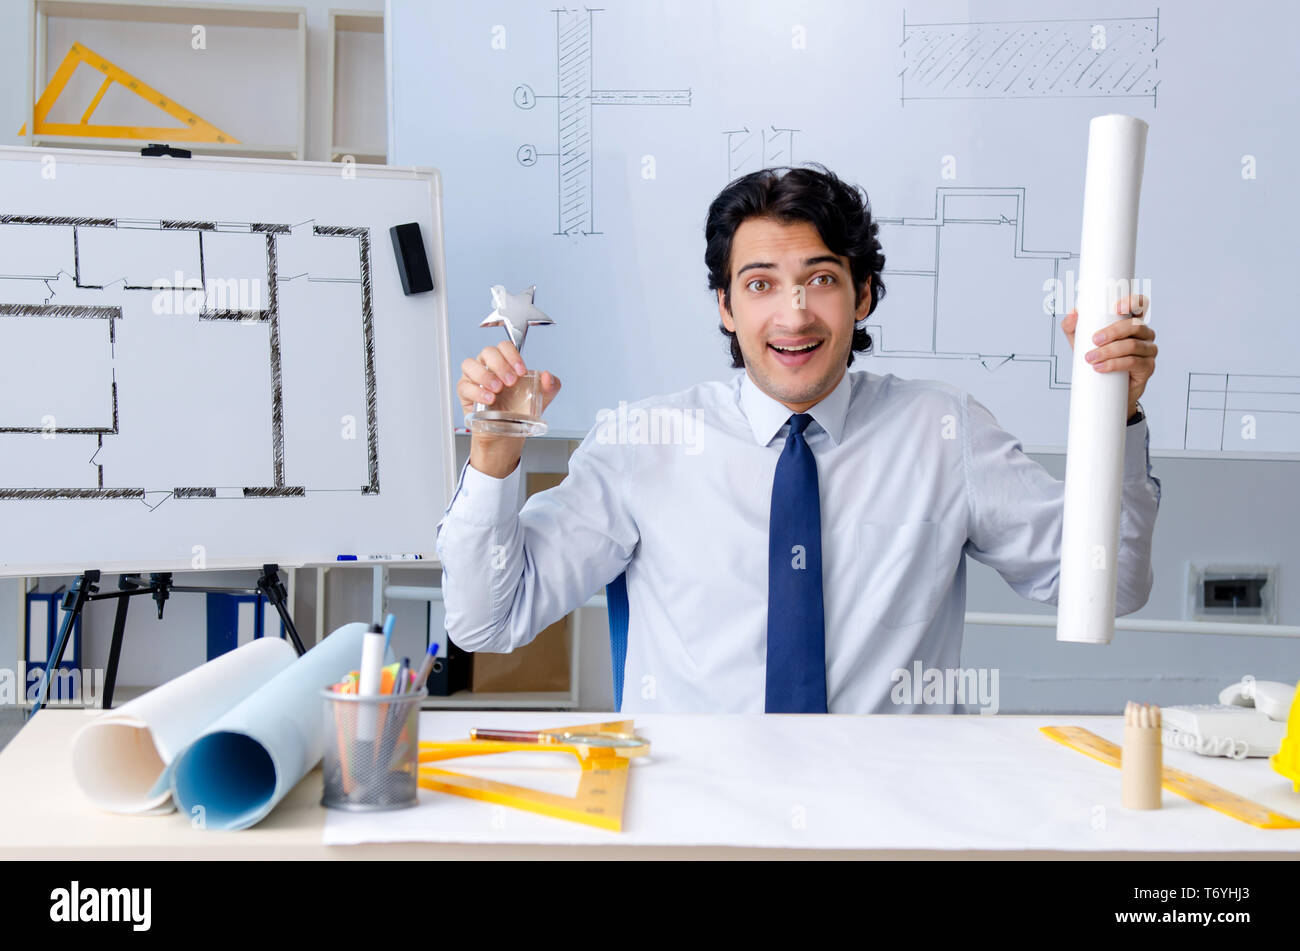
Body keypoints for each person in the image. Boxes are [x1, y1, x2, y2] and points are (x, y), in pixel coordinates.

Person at [436, 164, 1160, 714]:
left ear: (863, 293)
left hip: (890, 825)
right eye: (759, 284)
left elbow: (1111, 584)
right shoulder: (643, 443)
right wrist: (493, 463)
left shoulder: (944, 434)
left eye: (820, 278)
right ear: (724, 306)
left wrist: (1114, 419)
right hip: (700, 827)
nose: (794, 313)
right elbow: (486, 619)